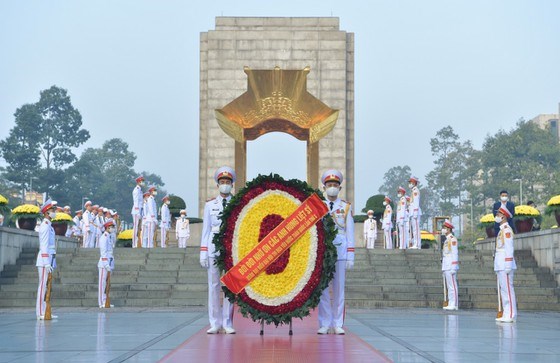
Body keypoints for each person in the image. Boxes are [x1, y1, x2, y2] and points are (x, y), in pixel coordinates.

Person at [200, 166, 236, 334]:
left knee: (230, 286)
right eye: (222, 182)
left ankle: (227, 322)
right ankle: (214, 322)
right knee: (213, 286)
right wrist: (203, 252)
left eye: (228, 182)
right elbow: (206, 230)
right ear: (217, 185)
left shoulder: (237, 203)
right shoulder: (209, 205)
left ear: (232, 184)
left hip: (230, 250)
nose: (225, 185)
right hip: (213, 249)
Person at [318, 169, 355, 335]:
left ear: (339, 188)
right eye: (329, 185)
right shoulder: (318, 205)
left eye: (335, 185)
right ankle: (324, 323)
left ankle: (338, 323)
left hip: (340, 253)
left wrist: (350, 255)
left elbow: (350, 232)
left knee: (339, 290)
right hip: (324, 254)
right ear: (324, 187)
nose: (332, 187)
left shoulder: (345, 207)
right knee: (324, 290)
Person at [36, 199, 58, 320]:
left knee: (47, 286)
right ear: (46, 212)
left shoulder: (49, 225)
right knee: (43, 286)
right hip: (45, 260)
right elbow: (43, 245)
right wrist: (46, 262)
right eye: (52, 210)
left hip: (50, 258)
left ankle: (46, 310)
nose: (54, 212)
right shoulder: (44, 226)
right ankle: (40, 312)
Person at [494, 206, 517, 323]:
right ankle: (506, 312)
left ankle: (511, 314)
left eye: (498, 214)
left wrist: (508, 264)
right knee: (504, 290)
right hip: (500, 264)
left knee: (508, 289)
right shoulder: (501, 230)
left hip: (505, 264)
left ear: (503, 216)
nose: (496, 216)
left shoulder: (507, 230)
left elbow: (509, 248)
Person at [441, 219, 459, 310]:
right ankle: (450, 302)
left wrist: (454, 266)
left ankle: (454, 303)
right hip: (446, 265)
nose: (443, 229)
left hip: (450, 265)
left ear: (448, 229)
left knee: (452, 285)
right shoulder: (447, 239)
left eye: (444, 228)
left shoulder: (452, 239)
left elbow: (454, 253)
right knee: (449, 285)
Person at [98, 220, 115, 308]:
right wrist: (106, 264)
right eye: (111, 227)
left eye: (113, 227)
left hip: (110, 261)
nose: (112, 229)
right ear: (107, 228)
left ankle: (106, 300)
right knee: (102, 284)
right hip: (104, 263)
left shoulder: (109, 237)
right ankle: (101, 302)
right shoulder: (104, 237)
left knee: (107, 283)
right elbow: (103, 252)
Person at [408, 176, 422, 249]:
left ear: (414, 183)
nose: (409, 184)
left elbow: (416, 202)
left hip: (415, 213)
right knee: (414, 229)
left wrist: (415, 212)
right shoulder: (413, 191)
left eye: (410, 182)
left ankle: (417, 244)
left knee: (416, 229)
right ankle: (416, 244)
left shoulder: (415, 191)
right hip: (412, 213)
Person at [131, 176, 144, 248]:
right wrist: (138, 212)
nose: (143, 182)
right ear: (138, 182)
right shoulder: (136, 190)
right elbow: (136, 202)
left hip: (139, 211)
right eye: (142, 181)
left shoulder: (140, 190)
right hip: (136, 211)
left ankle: (136, 242)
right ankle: (134, 243)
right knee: (135, 227)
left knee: (138, 227)